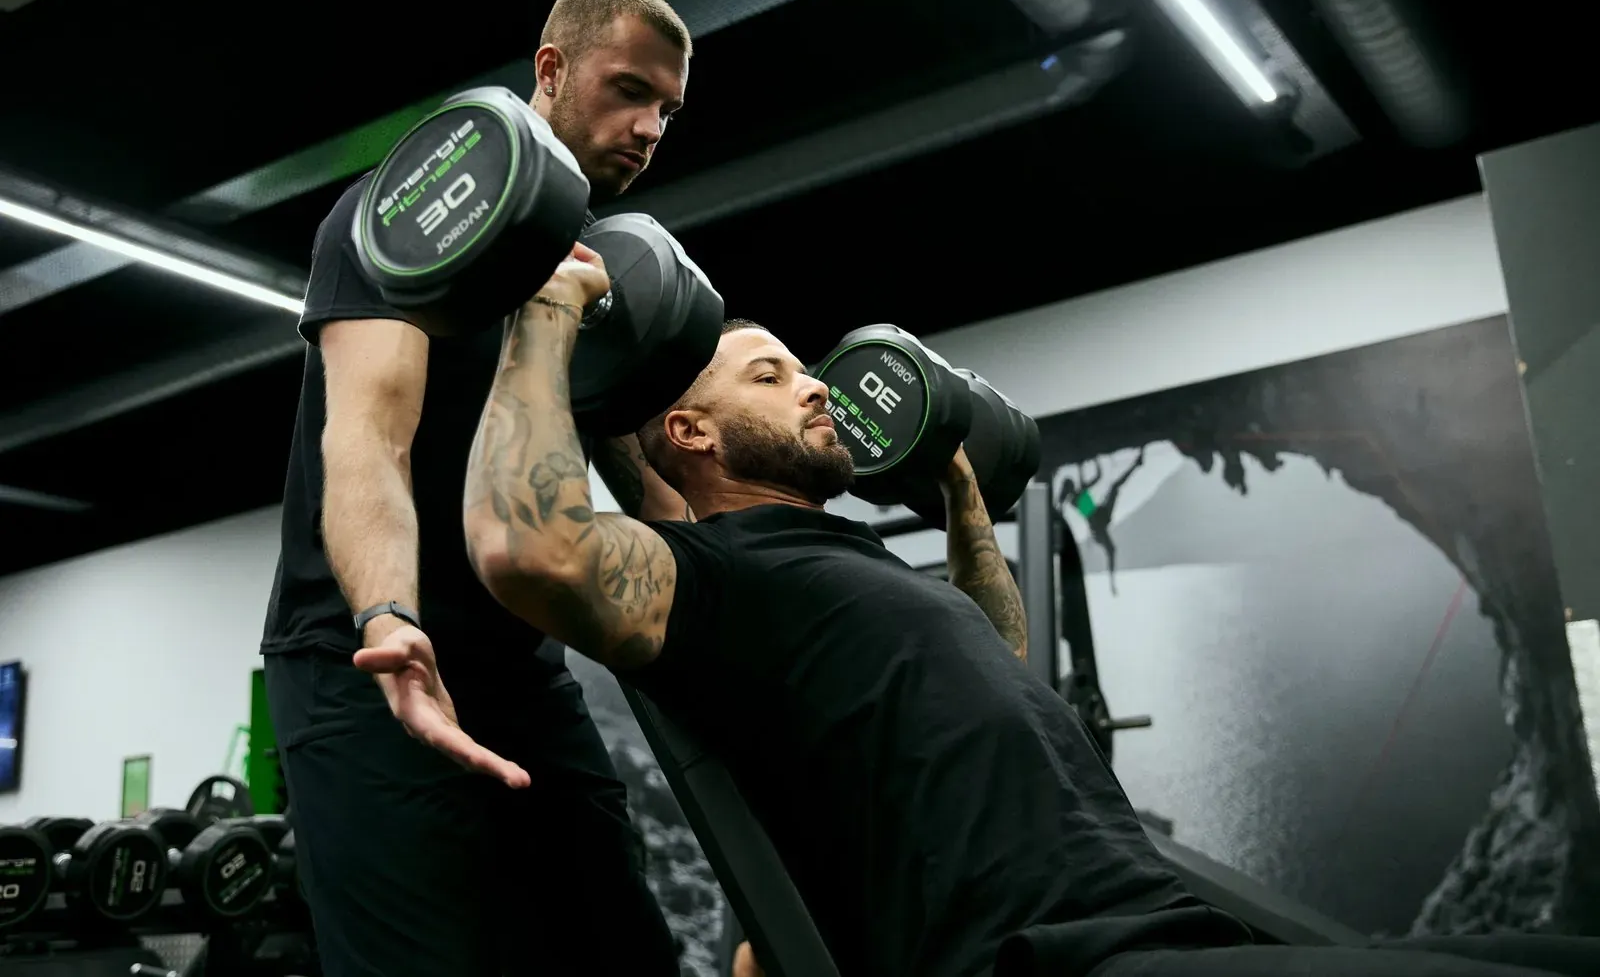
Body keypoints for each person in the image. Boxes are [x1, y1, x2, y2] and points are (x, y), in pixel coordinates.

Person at [366, 255, 1600, 977]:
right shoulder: (721, 585)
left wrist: (958, 491)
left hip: (1161, 931)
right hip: (1050, 956)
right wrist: (547, 308)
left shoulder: (845, 567)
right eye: (770, 372)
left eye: (803, 366)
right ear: (686, 434)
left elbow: (996, 659)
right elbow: (522, 541)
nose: (814, 385)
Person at [260, 0, 693, 977]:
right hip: (361, 658)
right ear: (551, 68)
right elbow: (369, 439)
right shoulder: (407, 218)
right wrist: (386, 617)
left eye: (666, 108)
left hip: (517, 663)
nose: (648, 125)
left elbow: (651, 486)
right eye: (628, 89)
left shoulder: (594, 274)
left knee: (623, 946)